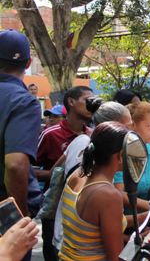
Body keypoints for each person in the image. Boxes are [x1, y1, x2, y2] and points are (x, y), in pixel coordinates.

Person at [52, 100, 135, 251]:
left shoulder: (82, 171)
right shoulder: (105, 192)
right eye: (128, 128)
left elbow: (96, 223)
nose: (133, 134)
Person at [35, 86, 93, 261]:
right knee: (53, 252)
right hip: (54, 207)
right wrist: (59, 174)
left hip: (82, 209)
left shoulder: (92, 135)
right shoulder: (50, 134)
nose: (92, 105)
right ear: (71, 102)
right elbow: (29, 168)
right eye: (87, 101)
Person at [0, 29, 42, 260]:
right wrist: (20, 219)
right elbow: (16, 165)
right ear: (28, 62)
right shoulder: (23, 101)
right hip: (5, 220)